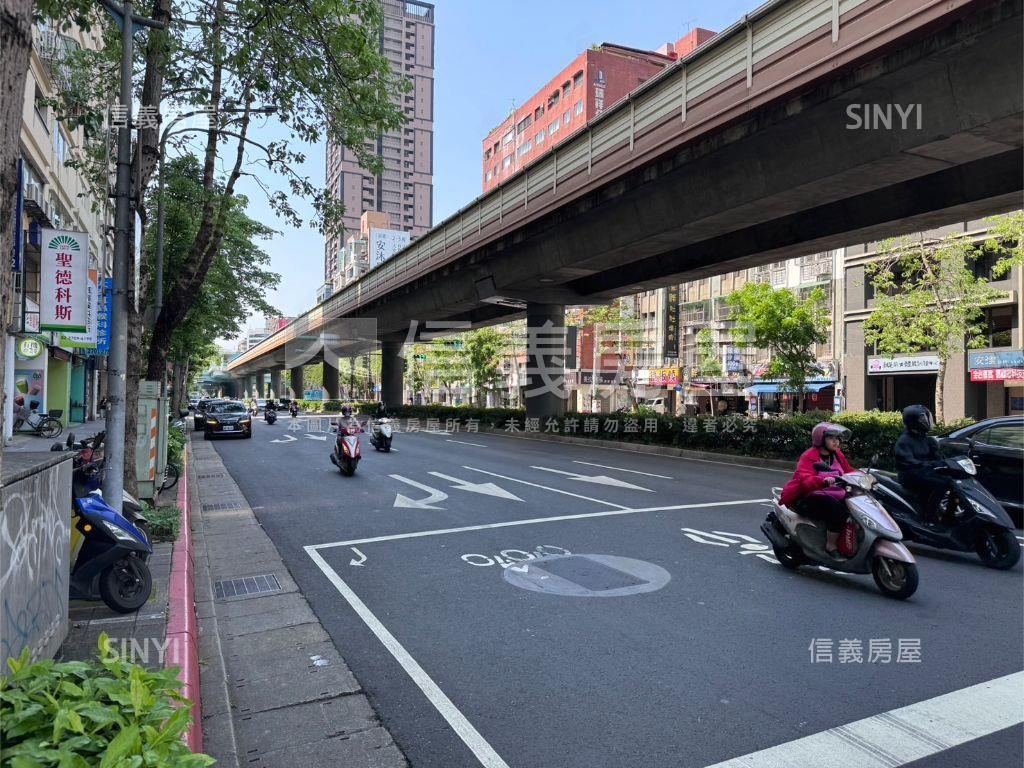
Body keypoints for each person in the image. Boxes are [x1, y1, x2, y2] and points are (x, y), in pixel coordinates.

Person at [780, 422, 854, 560]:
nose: (836, 442)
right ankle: (830, 546)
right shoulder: (809, 456)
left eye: (837, 439)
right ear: (821, 439)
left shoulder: (837, 454)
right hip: (807, 497)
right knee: (836, 509)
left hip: (833, 493)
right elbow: (805, 480)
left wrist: (864, 476)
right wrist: (823, 481)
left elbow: (849, 470)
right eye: (832, 438)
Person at [895, 404, 955, 524]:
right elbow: (908, 462)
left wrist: (949, 463)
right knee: (941, 484)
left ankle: (949, 516)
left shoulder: (926, 439)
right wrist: (928, 464)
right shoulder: (904, 441)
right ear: (913, 421)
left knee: (952, 482)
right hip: (910, 475)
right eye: (922, 419)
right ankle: (928, 518)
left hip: (925, 472)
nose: (926, 421)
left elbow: (938, 456)